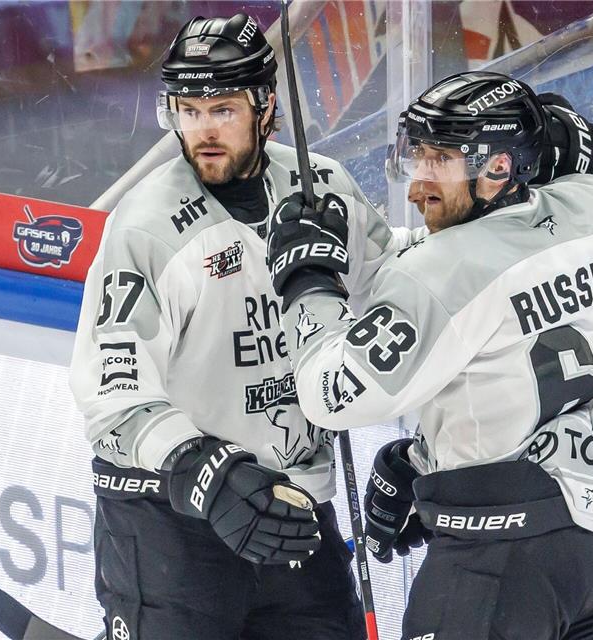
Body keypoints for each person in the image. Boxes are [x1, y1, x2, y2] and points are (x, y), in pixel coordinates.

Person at [267, 71, 593, 640]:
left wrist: (307, 279)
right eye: (417, 159)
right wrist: (587, 145)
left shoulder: (440, 274)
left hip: (499, 561)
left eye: (439, 162)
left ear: (497, 168)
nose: (417, 187)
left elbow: (328, 393)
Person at [69, 13, 422, 640]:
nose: (203, 129)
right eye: (189, 109)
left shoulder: (320, 188)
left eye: (223, 109)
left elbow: (396, 281)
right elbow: (112, 393)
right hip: (170, 514)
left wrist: (488, 242)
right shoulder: (146, 225)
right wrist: (205, 470)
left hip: (291, 504)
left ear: (265, 107)